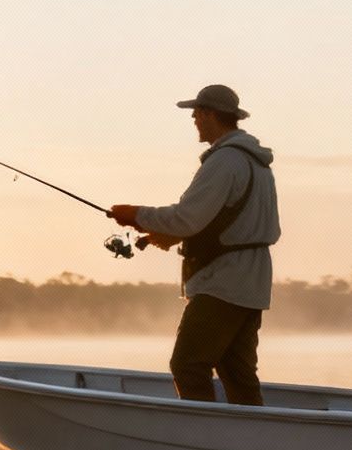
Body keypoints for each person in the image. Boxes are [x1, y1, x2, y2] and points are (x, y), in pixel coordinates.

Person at [110, 84, 280, 406]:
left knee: (187, 365)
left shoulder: (225, 161)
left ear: (208, 114)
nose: (193, 120)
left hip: (223, 284)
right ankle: (251, 444)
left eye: (196, 114)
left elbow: (187, 218)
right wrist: (168, 235)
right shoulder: (258, 164)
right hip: (252, 284)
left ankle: (203, 437)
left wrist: (136, 215)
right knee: (237, 374)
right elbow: (232, 223)